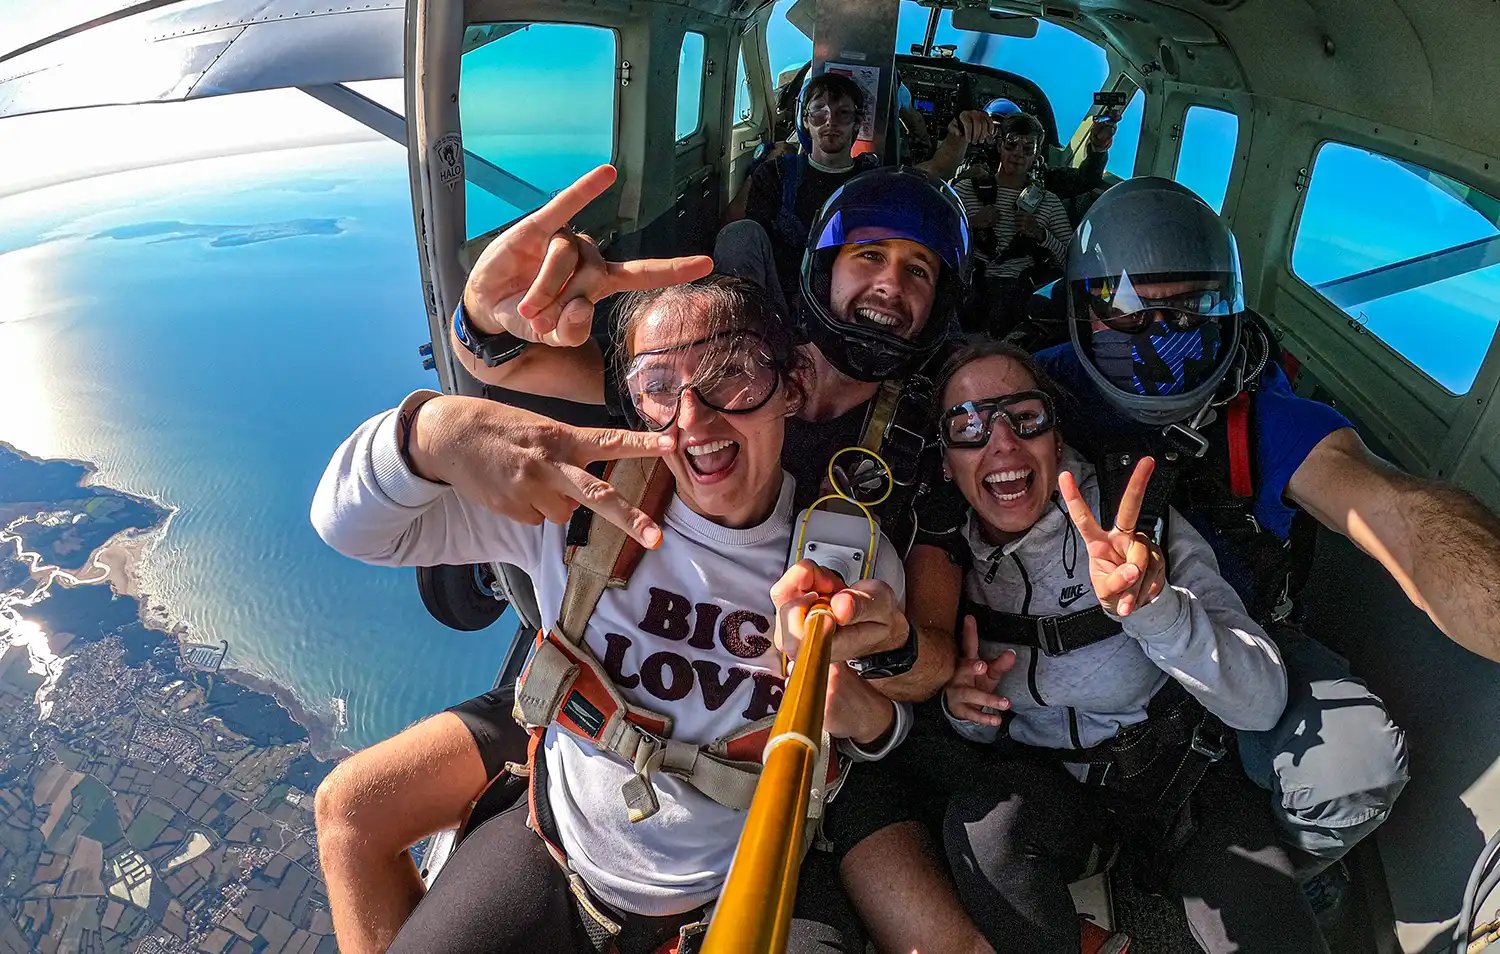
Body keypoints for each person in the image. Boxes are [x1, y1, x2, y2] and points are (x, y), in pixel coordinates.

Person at [310, 275, 909, 954]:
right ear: (635, 405)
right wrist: (426, 432)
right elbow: (351, 529)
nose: (694, 420)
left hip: (730, 898)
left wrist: (862, 695)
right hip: (555, 854)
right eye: (660, 387)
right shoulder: (578, 509)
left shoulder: (845, 560)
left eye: (732, 373)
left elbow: (879, 731)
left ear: (790, 387)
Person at [1031, 177, 1500, 896]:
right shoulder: (1043, 392)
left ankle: (1280, 867)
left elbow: (1403, 515)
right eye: (1127, 309)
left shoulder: (1261, 417)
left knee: (1354, 773)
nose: (1159, 333)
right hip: (1071, 618)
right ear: (1082, 311)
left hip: (1240, 637)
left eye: (1186, 307)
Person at [448, 163, 976, 705]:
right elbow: (498, 365)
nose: (890, 284)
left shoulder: (926, 439)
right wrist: (487, 315)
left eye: (919, 272)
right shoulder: (726, 357)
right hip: (650, 639)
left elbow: (934, 660)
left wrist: (887, 647)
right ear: (826, 268)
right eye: (869, 254)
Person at [931, 338, 1325, 954]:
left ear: (1055, 437)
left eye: (1025, 417)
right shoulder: (942, 560)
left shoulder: (1132, 521)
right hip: (1061, 797)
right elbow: (964, 730)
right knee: (981, 829)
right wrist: (965, 710)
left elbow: (1262, 701)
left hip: (1184, 781)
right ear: (948, 460)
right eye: (969, 425)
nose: (1001, 442)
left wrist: (1157, 609)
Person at [718, 72, 880, 309]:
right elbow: (749, 240)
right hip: (778, 303)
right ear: (805, 120)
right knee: (739, 233)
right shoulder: (776, 175)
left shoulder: (873, 183)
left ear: (856, 122)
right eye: (818, 112)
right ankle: (749, 332)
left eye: (843, 113)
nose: (830, 122)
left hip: (845, 308)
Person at [952, 111, 1074, 337]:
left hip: (1017, 293)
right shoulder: (965, 190)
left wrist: (1041, 235)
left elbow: (1072, 263)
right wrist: (970, 223)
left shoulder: (1049, 203)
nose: (1018, 154)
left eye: (1027, 148)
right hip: (967, 284)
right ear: (999, 145)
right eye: (1011, 144)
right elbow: (939, 237)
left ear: (1037, 155)